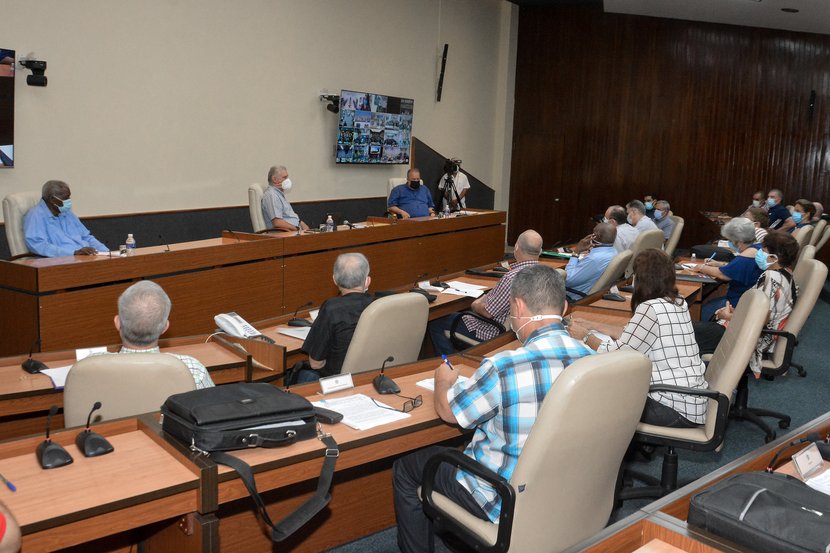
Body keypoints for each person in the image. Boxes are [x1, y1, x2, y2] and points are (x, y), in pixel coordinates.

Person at [393, 264, 593, 553]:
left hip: (501, 497)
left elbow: (450, 413)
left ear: (519, 307)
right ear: (563, 307)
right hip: (568, 492)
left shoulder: (504, 366)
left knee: (407, 467)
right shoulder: (592, 359)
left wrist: (442, 381)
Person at [569, 249, 708, 428]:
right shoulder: (677, 301)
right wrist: (593, 325)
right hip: (692, 401)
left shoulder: (650, 308)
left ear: (641, 279)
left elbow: (617, 354)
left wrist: (585, 336)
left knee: (596, 396)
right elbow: (633, 335)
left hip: (673, 407)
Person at [693, 231, 798, 376]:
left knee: (687, 331)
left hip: (748, 337)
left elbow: (761, 319)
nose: (759, 253)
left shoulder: (770, 278)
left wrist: (728, 316)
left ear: (774, 257)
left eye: (764, 251)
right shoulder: (786, 273)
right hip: (748, 330)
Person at [427, 230, 542, 354]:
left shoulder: (512, 278)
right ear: (539, 251)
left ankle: (450, 364)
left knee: (435, 322)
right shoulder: (544, 273)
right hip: (521, 331)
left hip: (491, 331)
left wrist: (475, 304)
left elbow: (487, 313)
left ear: (516, 247)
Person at [93, 281, 214, 389]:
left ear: (117, 322)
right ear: (164, 327)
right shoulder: (193, 370)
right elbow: (212, 411)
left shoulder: (87, 368)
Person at [295, 253, 374, 383]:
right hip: (369, 376)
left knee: (301, 374)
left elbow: (316, 364)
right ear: (367, 281)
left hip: (337, 382)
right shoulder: (377, 305)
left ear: (334, 280)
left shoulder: (331, 308)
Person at [690, 217, 762, 321]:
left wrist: (701, 267)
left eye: (730, 240)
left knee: (701, 313)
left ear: (739, 241)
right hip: (746, 299)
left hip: (737, 303)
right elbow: (737, 269)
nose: (729, 243)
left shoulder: (744, 258)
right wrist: (719, 263)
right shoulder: (758, 247)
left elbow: (722, 275)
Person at [23, 180, 108, 257]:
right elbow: (39, 245)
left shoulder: (67, 214)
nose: (69, 200)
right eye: (65, 198)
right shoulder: (35, 215)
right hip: (58, 263)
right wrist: (73, 252)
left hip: (84, 259)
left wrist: (107, 253)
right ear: (52, 199)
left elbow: (87, 237)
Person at [564, 222, 616, 300]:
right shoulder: (614, 251)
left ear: (596, 236)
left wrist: (576, 252)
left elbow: (568, 280)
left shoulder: (595, 259)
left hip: (572, 296)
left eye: (593, 232)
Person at [262, 165, 309, 232]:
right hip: (285, 235)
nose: (287, 180)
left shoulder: (278, 194)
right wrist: (297, 229)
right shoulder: (272, 195)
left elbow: (287, 216)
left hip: (292, 232)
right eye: (285, 177)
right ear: (274, 179)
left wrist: (300, 222)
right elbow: (277, 223)